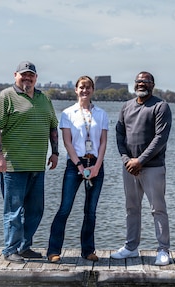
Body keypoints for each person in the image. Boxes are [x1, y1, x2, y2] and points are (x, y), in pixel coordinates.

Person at [0, 61, 59, 263]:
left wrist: (55, 153)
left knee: (36, 209)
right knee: (14, 210)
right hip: (13, 165)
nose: (27, 78)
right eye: (24, 75)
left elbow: (52, 127)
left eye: (31, 75)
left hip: (38, 165)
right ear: (15, 75)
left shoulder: (44, 98)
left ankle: (24, 246)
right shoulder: (6, 97)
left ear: (36, 78)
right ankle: (10, 249)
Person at [111, 71, 172, 266]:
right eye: (138, 81)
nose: (141, 84)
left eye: (145, 81)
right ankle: (131, 247)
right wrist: (127, 159)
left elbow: (160, 139)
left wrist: (140, 161)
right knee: (131, 209)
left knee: (158, 209)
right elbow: (119, 134)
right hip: (129, 167)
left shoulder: (160, 106)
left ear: (152, 84)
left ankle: (163, 250)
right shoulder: (126, 106)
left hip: (152, 167)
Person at [47, 76, 108, 263]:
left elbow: (104, 142)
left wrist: (97, 166)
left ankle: (88, 250)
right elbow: (67, 142)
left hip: (96, 164)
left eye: (88, 87)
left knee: (90, 211)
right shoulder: (68, 113)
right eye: (82, 87)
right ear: (76, 89)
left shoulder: (102, 114)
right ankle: (53, 251)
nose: (85, 90)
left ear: (93, 90)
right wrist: (79, 166)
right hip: (75, 165)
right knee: (65, 208)